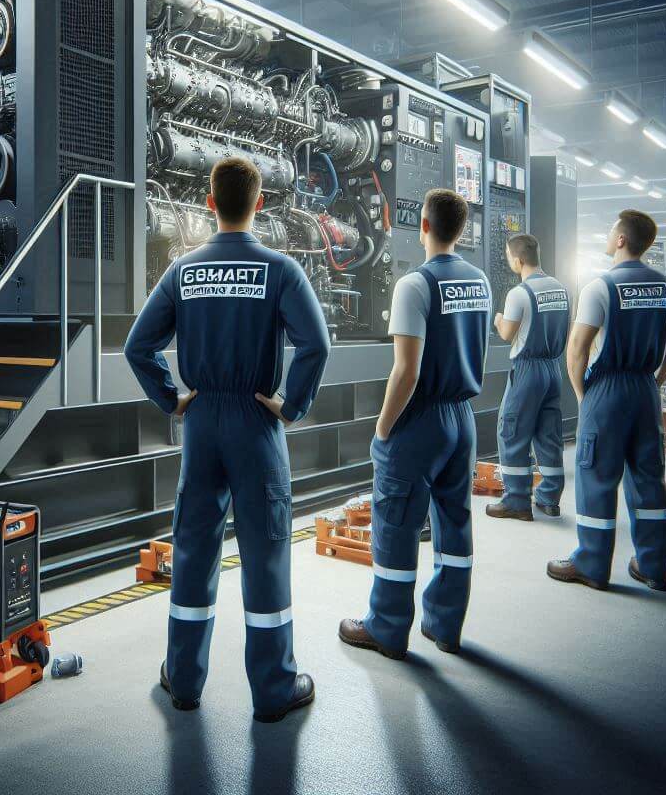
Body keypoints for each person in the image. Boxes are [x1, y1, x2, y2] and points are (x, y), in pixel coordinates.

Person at [124, 156, 330, 723]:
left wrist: (173, 399)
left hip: (202, 421)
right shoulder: (281, 268)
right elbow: (316, 345)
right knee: (265, 549)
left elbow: (137, 347)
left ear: (210, 204)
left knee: (192, 548)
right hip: (255, 421)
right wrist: (292, 404)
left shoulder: (183, 270)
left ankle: (184, 680)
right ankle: (273, 689)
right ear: (259, 204)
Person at [339, 188, 490, 659]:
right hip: (461, 418)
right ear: (460, 230)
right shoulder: (481, 281)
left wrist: (383, 429)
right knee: (454, 521)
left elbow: (407, 370)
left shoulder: (414, 285)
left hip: (420, 420)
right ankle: (445, 625)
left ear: (423, 226)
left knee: (397, 521)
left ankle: (387, 628)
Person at [548, 210, 666, 592]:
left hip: (606, 392)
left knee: (596, 477)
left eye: (610, 231)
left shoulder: (599, 288)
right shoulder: (665, 287)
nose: (607, 236)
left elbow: (576, 349)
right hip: (644, 391)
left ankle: (591, 563)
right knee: (649, 478)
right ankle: (654, 566)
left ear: (621, 239)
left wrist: (582, 395)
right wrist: (653, 383)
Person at [487, 234, 570, 520]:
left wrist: (498, 319)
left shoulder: (519, 293)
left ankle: (516, 500)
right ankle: (549, 499)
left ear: (518, 259)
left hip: (527, 370)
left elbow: (507, 334)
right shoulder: (561, 289)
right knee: (549, 434)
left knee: (511, 431)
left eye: (509, 257)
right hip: (552, 369)